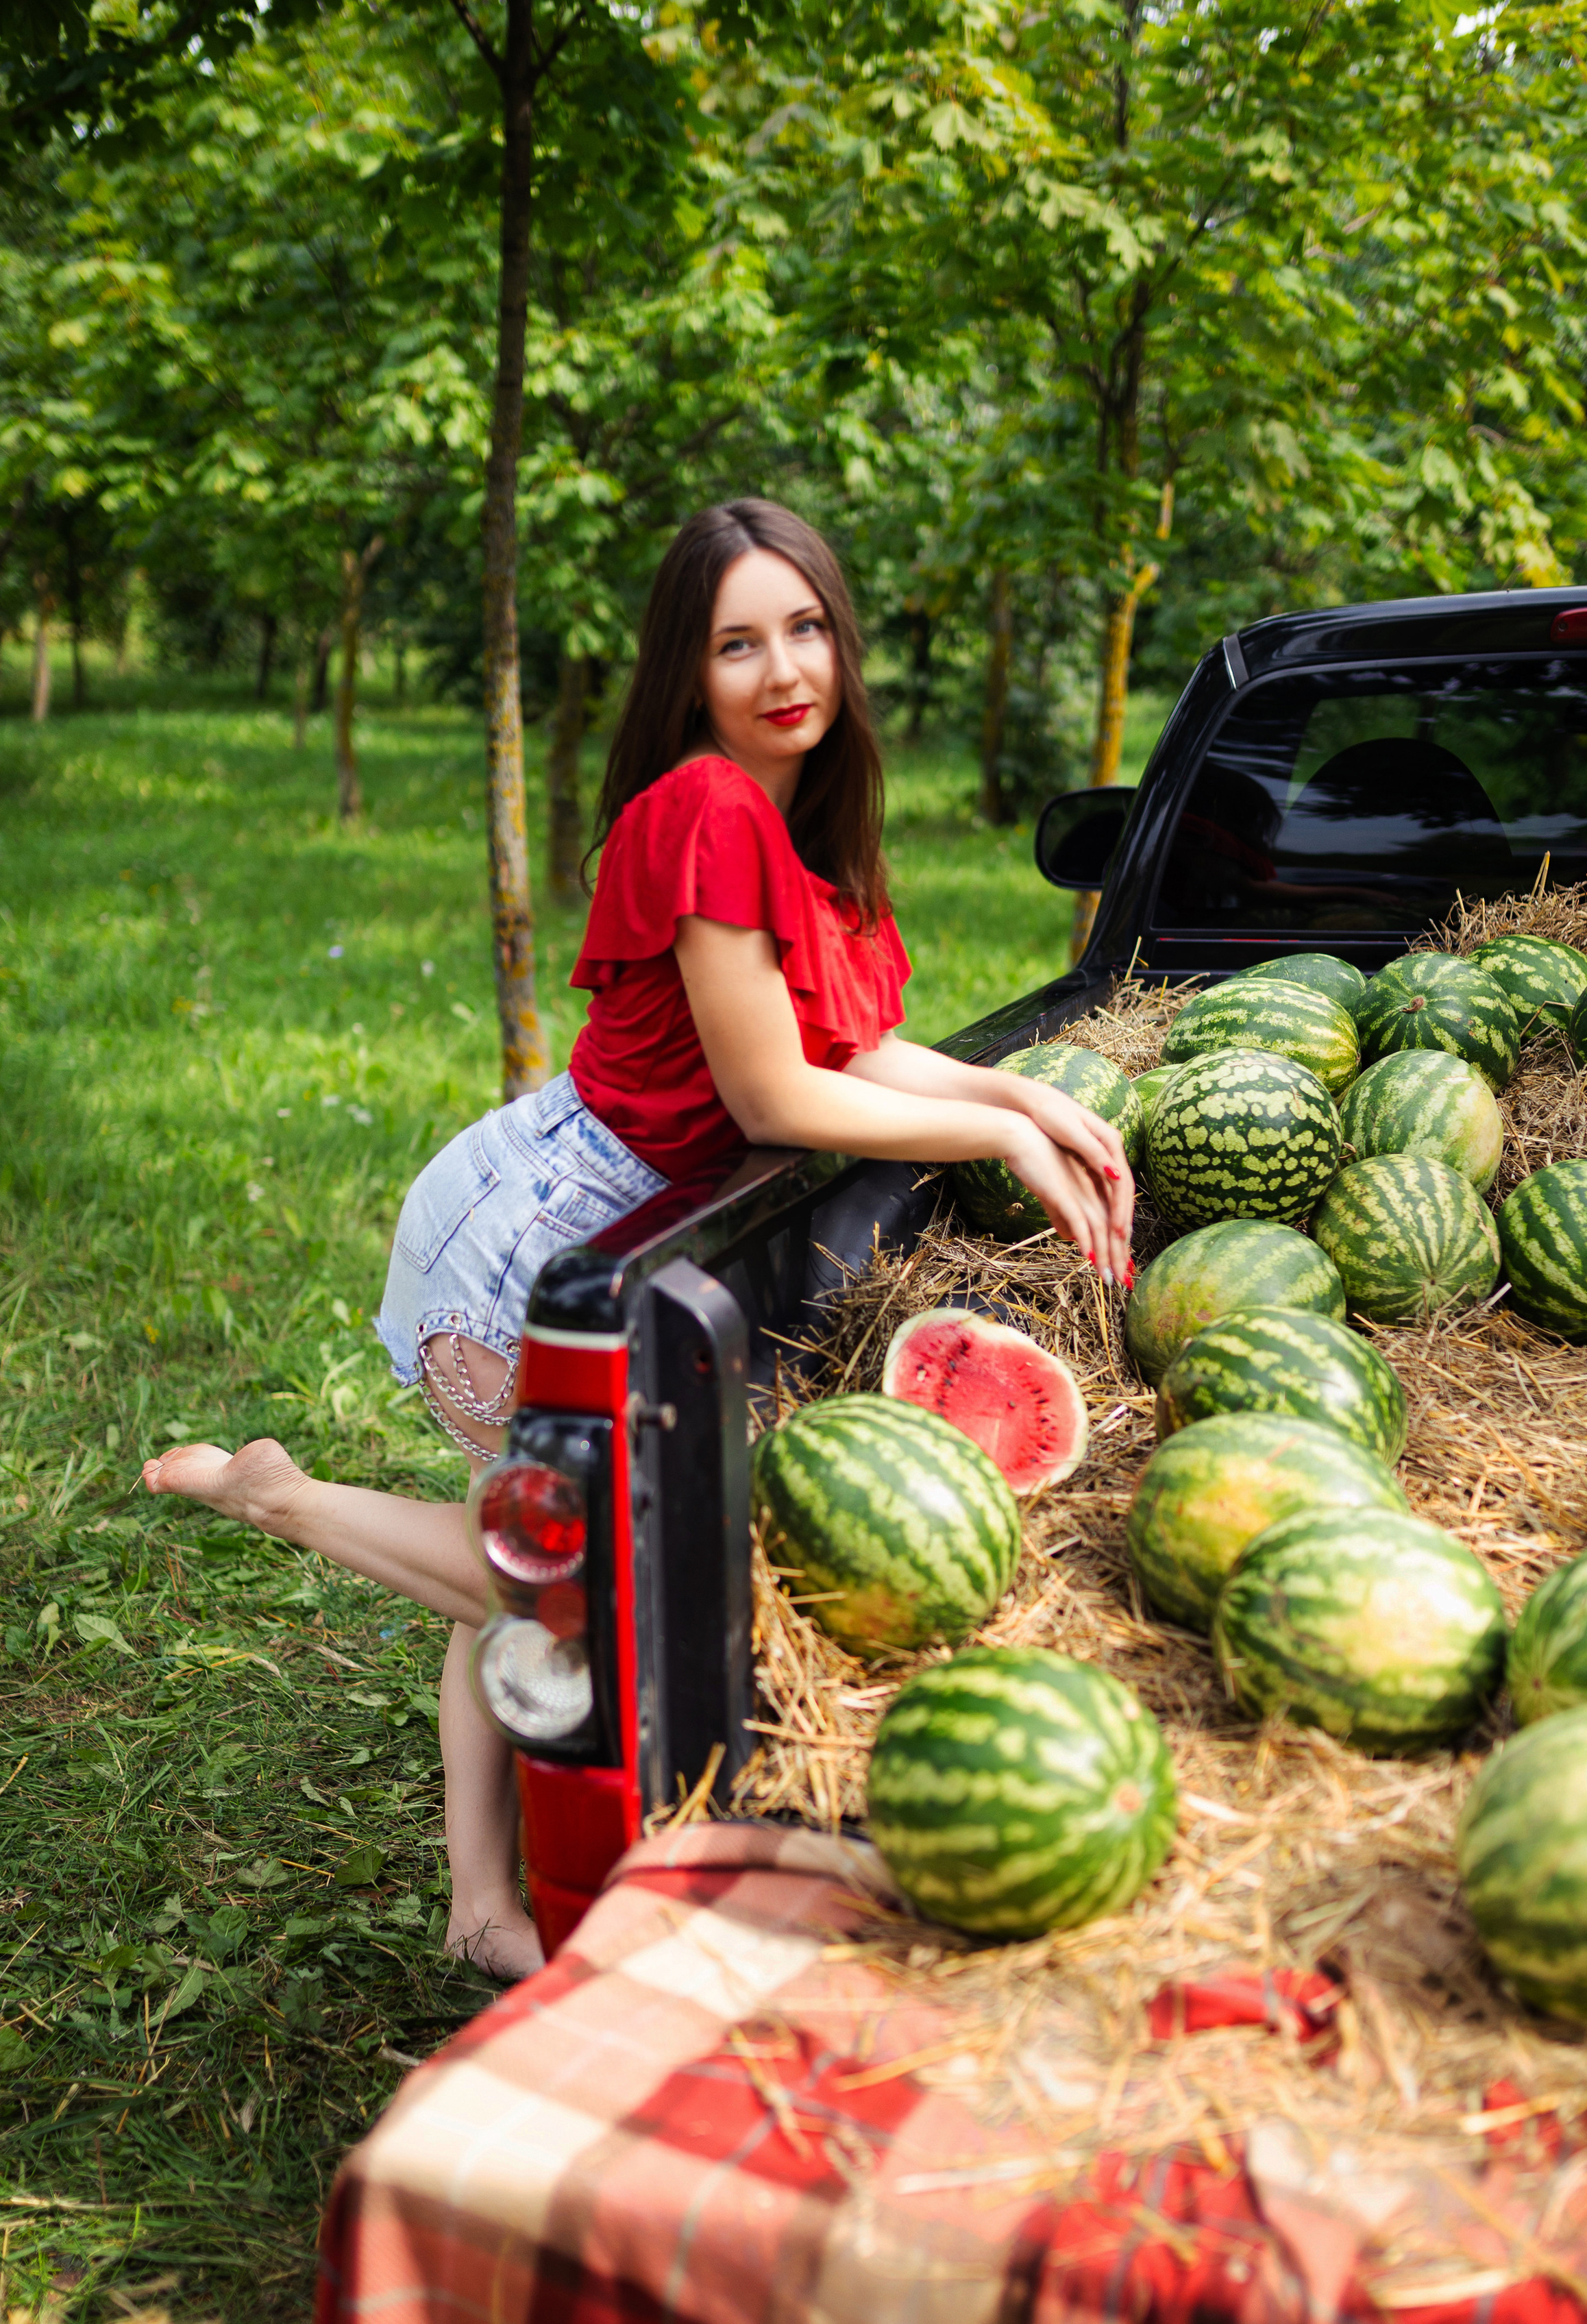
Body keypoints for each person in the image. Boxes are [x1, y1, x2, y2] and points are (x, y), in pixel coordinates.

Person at [143, 499, 1135, 1979]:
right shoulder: (705, 812)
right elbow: (766, 1092)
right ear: (687, 673)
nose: (781, 668)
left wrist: (1017, 1094)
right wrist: (995, 1136)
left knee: (514, 1550)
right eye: (736, 643)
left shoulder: (793, 827)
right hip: (535, 1239)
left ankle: (481, 1904)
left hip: (620, 1220)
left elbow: (853, 1050)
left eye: (803, 628)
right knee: (564, 1582)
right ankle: (282, 1496)